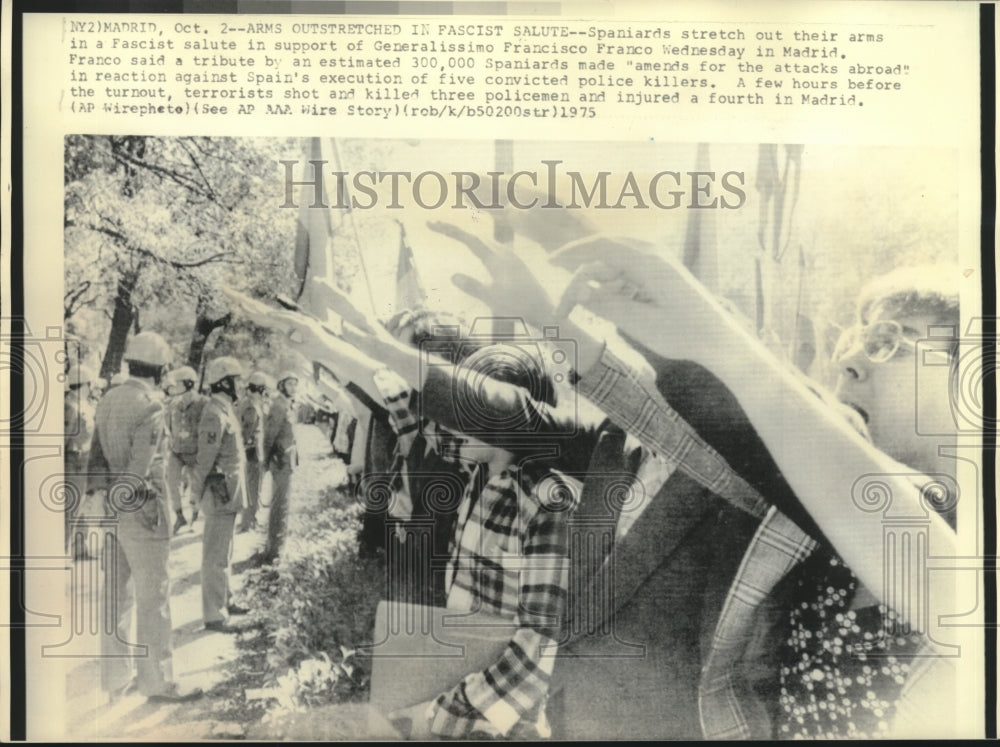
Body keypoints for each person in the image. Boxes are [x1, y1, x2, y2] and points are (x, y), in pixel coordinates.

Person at [543, 239, 961, 739]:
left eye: (892, 340)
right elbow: (700, 427)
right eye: (854, 338)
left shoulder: (972, 555)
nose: (847, 361)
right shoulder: (815, 509)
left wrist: (698, 332)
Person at [86, 331, 202, 703]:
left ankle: (114, 681)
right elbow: (138, 471)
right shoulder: (151, 405)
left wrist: (101, 500)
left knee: (116, 598)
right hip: (143, 512)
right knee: (155, 599)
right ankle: (157, 682)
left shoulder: (107, 399)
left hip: (111, 512)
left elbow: (96, 459)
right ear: (159, 369)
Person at [188, 356, 249, 633]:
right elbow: (204, 460)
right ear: (224, 382)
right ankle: (214, 615)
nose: (240, 384)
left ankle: (226, 599)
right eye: (236, 379)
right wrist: (195, 496)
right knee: (215, 556)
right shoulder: (214, 413)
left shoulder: (224, 408)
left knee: (225, 551)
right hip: (219, 492)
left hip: (229, 491)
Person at [164, 365, 207, 535]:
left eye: (179, 382)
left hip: (195, 452)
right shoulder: (174, 403)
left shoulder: (203, 403)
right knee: (171, 482)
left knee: (196, 487)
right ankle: (179, 516)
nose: (175, 385)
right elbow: (168, 424)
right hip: (176, 450)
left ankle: (194, 517)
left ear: (188, 383)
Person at [262, 369, 298, 564]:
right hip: (280, 460)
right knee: (279, 505)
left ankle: (275, 546)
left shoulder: (287, 404)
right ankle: (274, 551)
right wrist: (266, 461)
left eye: (295, 384)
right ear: (282, 385)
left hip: (286, 460)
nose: (293, 387)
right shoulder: (279, 405)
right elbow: (269, 436)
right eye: (289, 383)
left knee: (283, 504)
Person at [64, 361, 96, 559]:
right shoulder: (69, 406)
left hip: (84, 462)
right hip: (73, 462)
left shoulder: (83, 405)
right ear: (85, 384)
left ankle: (80, 547)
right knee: (70, 509)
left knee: (82, 507)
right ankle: (62, 551)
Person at [237, 370, 270, 534]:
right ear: (261, 389)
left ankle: (249, 519)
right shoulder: (252, 406)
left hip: (250, 450)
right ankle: (248, 521)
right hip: (252, 452)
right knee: (252, 487)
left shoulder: (249, 403)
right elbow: (248, 429)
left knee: (251, 486)